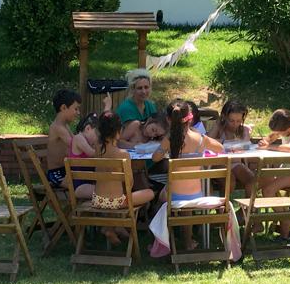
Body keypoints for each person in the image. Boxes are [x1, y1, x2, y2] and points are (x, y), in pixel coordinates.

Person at [152, 100, 224, 250]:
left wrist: (163, 150)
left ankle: (161, 240)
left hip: (174, 195)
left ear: (168, 119)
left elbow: (155, 158)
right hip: (196, 194)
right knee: (186, 204)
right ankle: (187, 240)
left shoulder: (170, 139)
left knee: (159, 199)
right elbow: (220, 148)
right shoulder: (200, 138)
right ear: (190, 118)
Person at [94, 111, 154, 245]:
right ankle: (112, 228)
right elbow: (130, 182)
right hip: (116, 202)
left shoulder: (97, 149)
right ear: (119, 131)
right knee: (149, 193)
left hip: (97, 199)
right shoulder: (122, 154)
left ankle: (111, 228)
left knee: (114, 194)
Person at [257, 108, 290, 239]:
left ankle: (286, 220)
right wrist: (265, 141)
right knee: (263, 181)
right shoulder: (284, 130)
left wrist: (269, 147)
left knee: (268, 190)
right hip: (286, 171)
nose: (278, 134)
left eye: (280, 132)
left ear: (289, 126)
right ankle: (281, 214)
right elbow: (269, 137)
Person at [208, 100, 255, 199]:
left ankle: (246, 211)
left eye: (238, 121)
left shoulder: (243, 130)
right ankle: (223, 211)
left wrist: (246, 133)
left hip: (235, 163)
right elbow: (208, 141)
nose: (235, 124)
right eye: (231, 120)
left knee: (251, 179)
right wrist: (224, 141)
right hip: (219, 162)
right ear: (225, 117)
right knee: (230, 180)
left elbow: (246, 146)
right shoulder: (219, 127)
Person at [69, 94, 112, 199]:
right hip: (80, 187)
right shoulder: (78, 138)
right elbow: (92, 154)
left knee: (113, 188)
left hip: (91, 183)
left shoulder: (87, 141)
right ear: (88, 128)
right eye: (97, 134)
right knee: (110, 191)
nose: (98, 138)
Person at [47, 89, 82, 188]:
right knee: (82, 183)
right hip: (56, 174)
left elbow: (75, 142)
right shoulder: (58, 128)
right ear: (63, 107)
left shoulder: (65, 126)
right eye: (76, 109)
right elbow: (75, 147)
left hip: (66, 170)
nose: (78, 112)